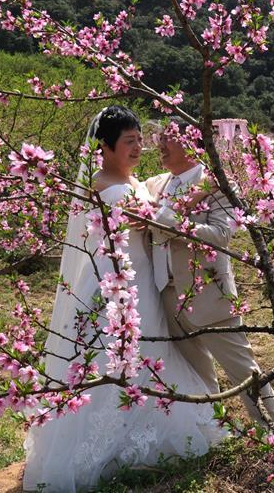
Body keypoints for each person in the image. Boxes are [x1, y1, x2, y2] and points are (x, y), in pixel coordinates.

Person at [23, 106, 224, 493]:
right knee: (115, 356)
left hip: (138, 279)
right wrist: (205, 191)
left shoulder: (130, 181)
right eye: (129, 142)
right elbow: (153, 218)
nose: (138, 149)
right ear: (106, 147)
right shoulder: (105, 186)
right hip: (115, 288)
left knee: (146, 353)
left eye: (139, 141)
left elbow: (157, 202)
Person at [144, 118, 274, 432]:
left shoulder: (216, 184)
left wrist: (170, 220)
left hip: (207, 292)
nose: (160, 145)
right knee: (193, 372)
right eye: (160, 138)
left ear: (193, 141)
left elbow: (221, 235)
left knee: (243, 369)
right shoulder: (156, 184)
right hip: (165, 294)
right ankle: (211, 431)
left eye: (169, 138)